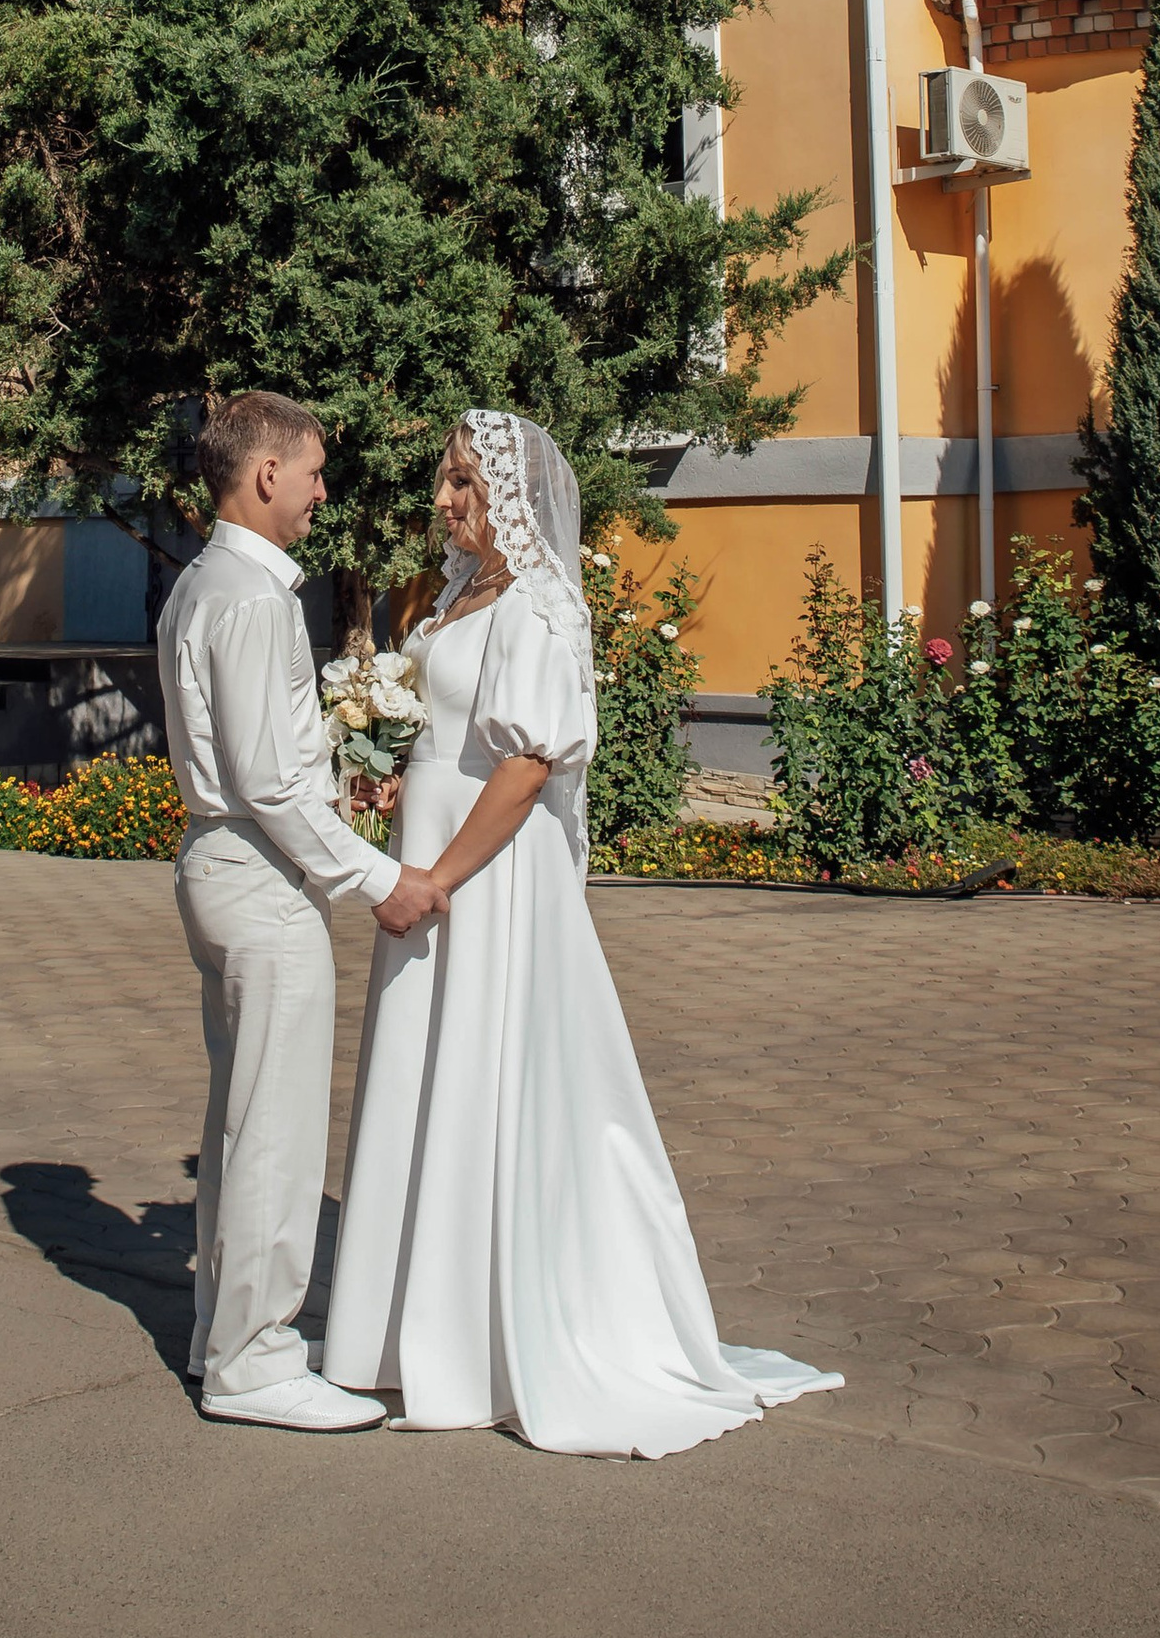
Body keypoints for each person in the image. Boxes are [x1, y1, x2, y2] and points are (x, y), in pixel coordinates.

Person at [322, 408, 845, 1458]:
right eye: (444, 481)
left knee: (485, 1078)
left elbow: (524, 768)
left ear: (510, 494)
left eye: (464, 483)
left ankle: (484, 1340)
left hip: (486, 884)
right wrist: (388, 771)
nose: (445, 501)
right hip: (422, 871)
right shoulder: (453, 602)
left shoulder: (541, 608)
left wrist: (435, 878)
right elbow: (450, 737)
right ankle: (403, 1329)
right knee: (423, 1080)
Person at [158, 389, 446, 1430]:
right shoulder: (248, 595)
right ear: (265, 472)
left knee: (245, 1118)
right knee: (272, 1126)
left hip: (228, 863)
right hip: (256, 876)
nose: (325, 491)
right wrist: (378, 879)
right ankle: (253, 1361)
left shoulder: (215, 582)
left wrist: (336, 782)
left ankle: (226, 1338)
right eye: (315, 471)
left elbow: (273, 765)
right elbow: (269, 781)